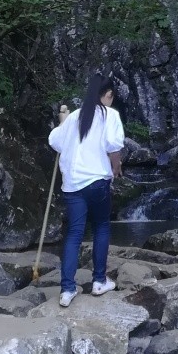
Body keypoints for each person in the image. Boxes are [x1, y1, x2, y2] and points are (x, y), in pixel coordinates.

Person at [48, 73, 125, 308]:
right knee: (101, 227)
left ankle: (67, 289)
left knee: (74, 234)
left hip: (73, 185)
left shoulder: (74, 117)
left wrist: (62, 121)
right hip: (97, 182)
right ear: (107, 95)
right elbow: (113, 145)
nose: (111, 100)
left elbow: (55, 142)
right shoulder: (109, 115)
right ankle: (99, 281)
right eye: (111, 96)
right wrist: (116, 166)